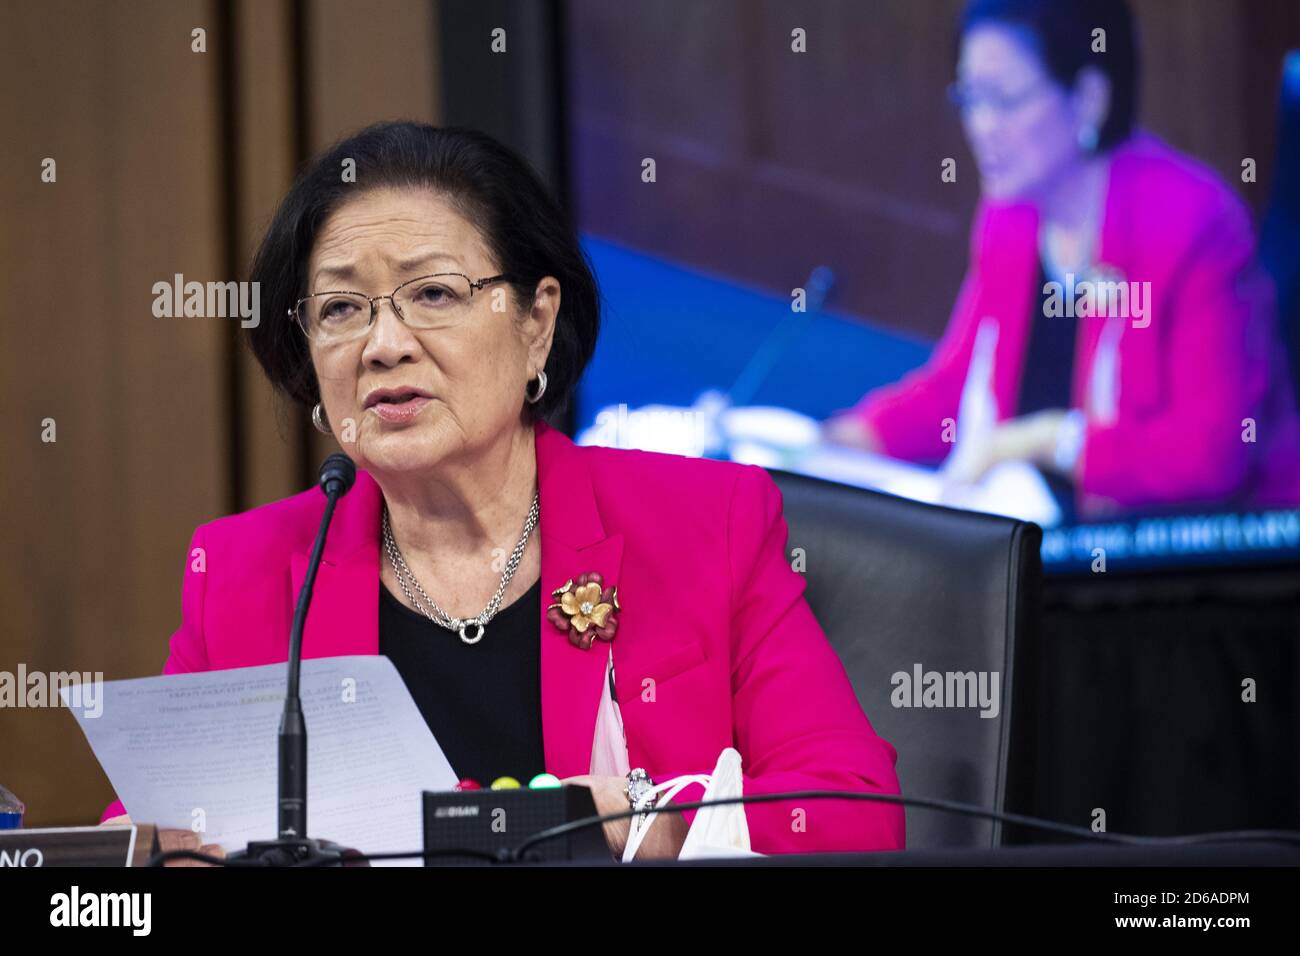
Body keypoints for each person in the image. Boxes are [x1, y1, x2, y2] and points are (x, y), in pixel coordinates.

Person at [98, 121, 904, 860]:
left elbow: (855, 815)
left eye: (434, 294)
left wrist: (647, 827)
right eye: (341, 308)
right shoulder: (247, 571)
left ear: (536, 325)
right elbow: (138, 840)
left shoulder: (706, 524)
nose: (382, 346)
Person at [825, 0, 1300, 518]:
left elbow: (1210, 458)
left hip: (1197, 554)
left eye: (1003, 101)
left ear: (1089, 99)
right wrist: (846, 438)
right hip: (1038, 529)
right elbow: (958, 388)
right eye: (970, 98)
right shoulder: (1012, 216)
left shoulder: (1192, 226)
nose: (981, 126)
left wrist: (1047, 439)